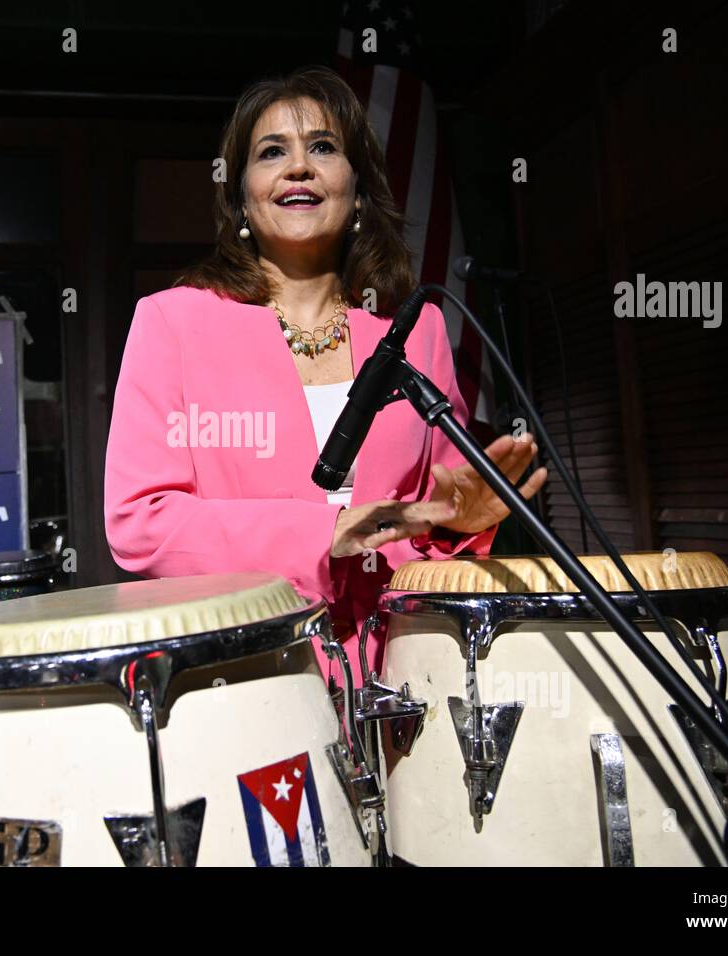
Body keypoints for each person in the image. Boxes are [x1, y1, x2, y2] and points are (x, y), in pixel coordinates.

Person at [104, 66, 546, 685]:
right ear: (240, 197)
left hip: (408, 670)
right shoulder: (172, 323)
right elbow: (139, 523)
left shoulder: (415, 331)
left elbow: (437, 509)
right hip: (252, 672)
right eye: (271, 152)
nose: (299, 167)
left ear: (357, 188)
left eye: (323, 147)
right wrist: (325, 533)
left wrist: (456, 522)